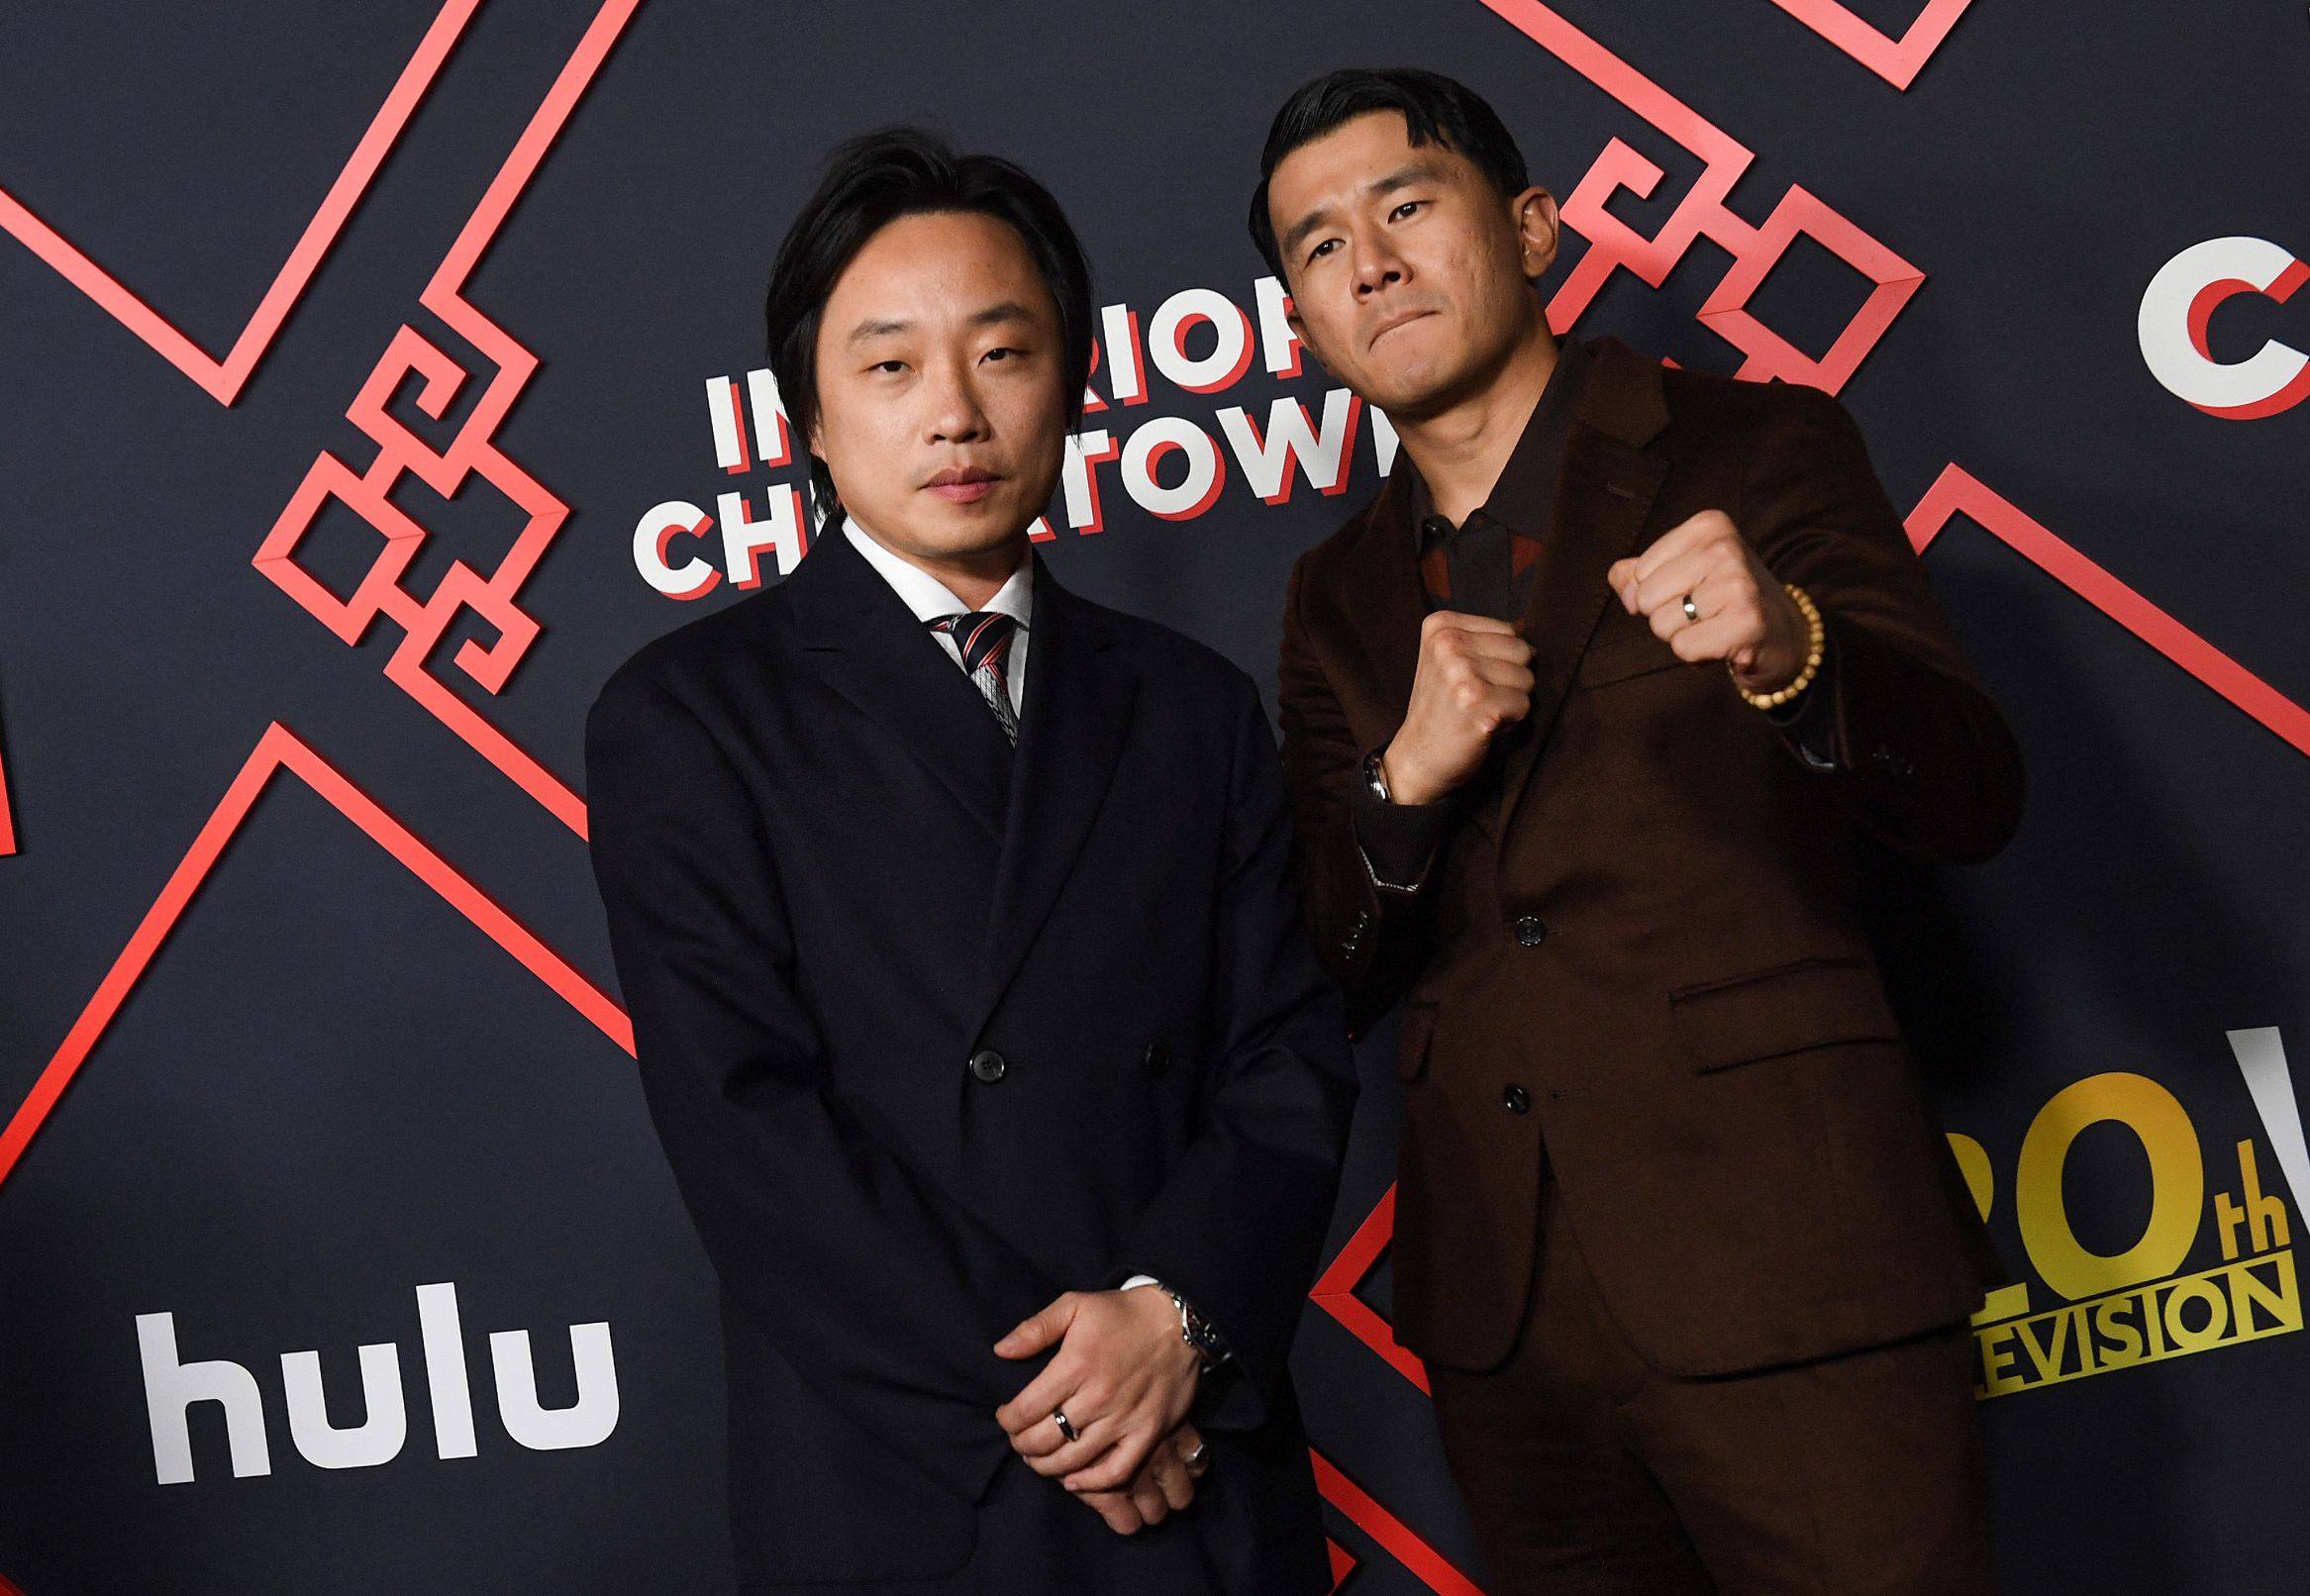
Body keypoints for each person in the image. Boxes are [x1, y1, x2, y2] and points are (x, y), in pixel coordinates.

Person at [1253, 67, 2023, 1594]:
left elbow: (1971, 796)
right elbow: (1317, 966)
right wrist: (1400, 787)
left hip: (1794, 1268)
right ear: (1298, 323)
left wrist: (1790, 652)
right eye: (1319, 245)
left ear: (1532, 229)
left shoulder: (1759, 450)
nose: (1372, 261)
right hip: (1508, 1323)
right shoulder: (1332, 596)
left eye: (1406, 205)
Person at [585, 128, 1355, 1594]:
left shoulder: (1185, 703)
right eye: (889, 365)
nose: (953, 412)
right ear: (806, 415)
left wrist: (1171, 1323)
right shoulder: (689, 715)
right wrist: (1070, 1400)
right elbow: (751, 1128)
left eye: (1001, 354)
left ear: (1069, 384)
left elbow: (1285, 1061)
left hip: (1197, 1441)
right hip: (915, 1478)